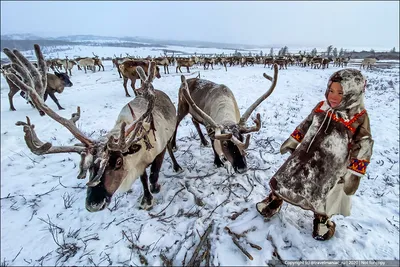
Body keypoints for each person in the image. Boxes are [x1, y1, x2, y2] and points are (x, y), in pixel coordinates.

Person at [256, 69, 374, 241]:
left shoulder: (358, 118)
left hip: (330, 167)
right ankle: (274, 200)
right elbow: (306, 124)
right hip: (303, 155)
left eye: (341, 93)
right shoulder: (321, 107)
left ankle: (321, 221)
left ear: (353, 93)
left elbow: (364, 145)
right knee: (287, 178)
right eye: (331, 90)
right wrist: (293, 140)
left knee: (324, 193)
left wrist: (355, 174)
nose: (333, 97)